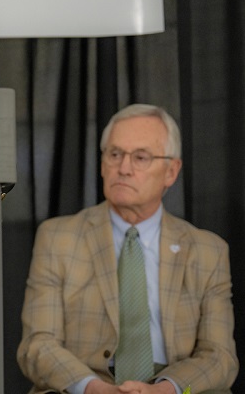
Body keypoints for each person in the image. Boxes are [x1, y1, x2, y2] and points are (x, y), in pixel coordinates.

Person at [18, 104, 238, 394]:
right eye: (114, 154)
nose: (123, 168)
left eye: (140, 157)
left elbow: (219, 356)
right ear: (102, 164)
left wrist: (164, 390)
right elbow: (38, 344)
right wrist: (94, 388)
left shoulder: (208, 251)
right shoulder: (58, 238)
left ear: (171, 171)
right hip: (87, 385)